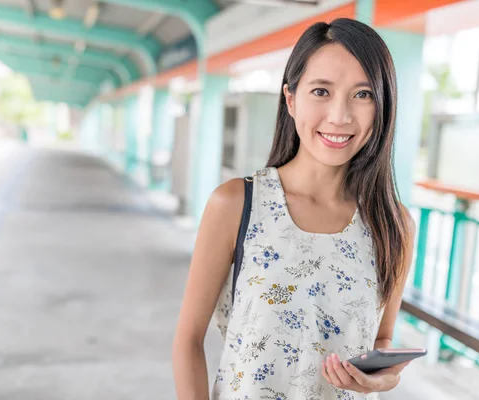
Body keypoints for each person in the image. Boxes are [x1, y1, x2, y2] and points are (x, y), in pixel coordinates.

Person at [172, 18, 416, 400]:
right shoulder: (237, 205)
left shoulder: (394, 223)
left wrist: (383, 378)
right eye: (321, 91)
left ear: (383, 106)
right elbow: (188, 340)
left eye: (363, 94)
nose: (340, 116)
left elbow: (382, 340)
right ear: (290, 98)